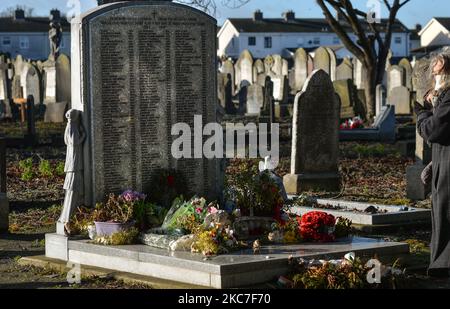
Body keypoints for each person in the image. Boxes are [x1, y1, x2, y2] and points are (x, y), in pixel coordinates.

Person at [414, 53, 450, 277]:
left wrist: (421, 115)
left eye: (437, 73)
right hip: (443, 164)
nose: (434, 80)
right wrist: (432, 164)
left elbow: (434, 130)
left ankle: (443, 268)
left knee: (446, 215)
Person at [58, 109, 85, 235]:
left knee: (73, 193)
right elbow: (75, 142)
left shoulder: (69, 126)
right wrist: (83, 136)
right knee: (73, 191)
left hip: (72, 165)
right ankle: (67, 221)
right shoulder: (73, 127)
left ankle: (68, 219)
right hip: (74, 165)